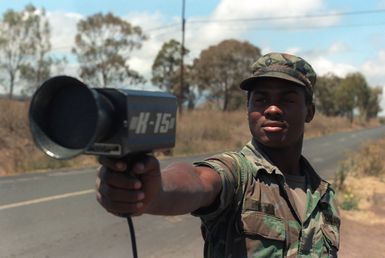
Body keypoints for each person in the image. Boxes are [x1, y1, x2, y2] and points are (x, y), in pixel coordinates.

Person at [96, 52, 340, 257]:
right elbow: (198, 180)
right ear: (248, 109)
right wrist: (154, 191)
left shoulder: (324, 196)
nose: (272, 109)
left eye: (287, 100)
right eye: (261, 99)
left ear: (309, 111)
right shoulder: (238, 173)